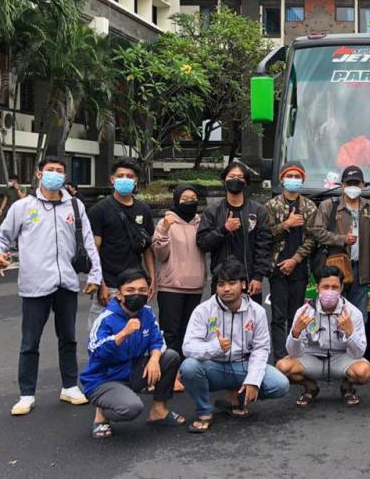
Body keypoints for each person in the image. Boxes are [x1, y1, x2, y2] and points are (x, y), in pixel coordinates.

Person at [0, 156, 101, 416]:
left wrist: (95, 275)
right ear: (39, 174)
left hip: (66, 283)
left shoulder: (75, 206)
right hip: (35, 284)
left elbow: (88, 242)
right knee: (30, 342)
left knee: (68, 339)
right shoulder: (23, 207)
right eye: (50, 170)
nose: (55, 174)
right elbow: (1, 238)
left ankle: (70, 386)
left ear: (65, 176)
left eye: (60, 171)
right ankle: (26, 394)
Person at [180, 258, 290, 433]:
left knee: (280, 385)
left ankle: (237, 398)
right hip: (213, 367)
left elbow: (261, 349)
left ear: (243, 284)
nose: (226, 289)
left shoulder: (257, 311)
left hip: (242, 366)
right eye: (221, 284)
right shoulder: (203, 310)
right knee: (189, 367)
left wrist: (253, 381)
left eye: (232, 283)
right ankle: (204, 411)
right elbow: (188, 347)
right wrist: (215, 347)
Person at [82, 269, 185, 438]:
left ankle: (158, 411)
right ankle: (102, 413)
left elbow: (157, 340)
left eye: (142, 290)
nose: (136, 294)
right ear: (119, 294)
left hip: (131, 372)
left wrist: (154, 359)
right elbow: (95, 352)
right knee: (132, 408)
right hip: (103, 380)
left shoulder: (147, 313)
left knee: (170, 357)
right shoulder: (106, 318)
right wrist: (122, 334)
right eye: (130, 290)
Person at [276, 265, 370, 407]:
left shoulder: (353, 313)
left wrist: (350, 332)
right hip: (313, 358)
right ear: (317, 288)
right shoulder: (304, 312)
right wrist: (295, 332)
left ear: (341, 288)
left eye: (335, 287)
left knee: (364, 372)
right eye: (325, 287)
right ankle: (310, 386)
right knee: (282, 367)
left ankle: (346, 386)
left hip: (341, 359)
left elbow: (358, 353)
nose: (330, 292)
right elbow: (294, 353)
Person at [86, 157, 156, 330]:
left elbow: (148, 248)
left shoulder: (144, 210)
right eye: (120, 176)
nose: (125, 179)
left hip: (136, 284)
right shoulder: (99, 210)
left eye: (130, 176)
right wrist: (100, 284)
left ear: (136, 181)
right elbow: (94, 250)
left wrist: (152, 279)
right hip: (109, 283)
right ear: (112, 179)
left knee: (137, 330)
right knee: (103, 330)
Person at [152, 184, 206, 391]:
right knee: (171, 333)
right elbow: (160, 254)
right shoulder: (166, 221)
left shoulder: (201, 222)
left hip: (195, 285)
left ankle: (184, 372)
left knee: (189, 333)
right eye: (184, 198)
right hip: (171, 286)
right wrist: (164, 230)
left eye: (193, 197)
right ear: (176, 199)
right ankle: (169, 375)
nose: (189, 201)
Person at [196, 161, 272, 304]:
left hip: (249, 280)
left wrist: (258, 276)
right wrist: (223, 229)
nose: (235, 180)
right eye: (231, 176)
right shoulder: (213, 211)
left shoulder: (258, 211)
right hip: (222, 281)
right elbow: (202, 242)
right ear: (224, 180)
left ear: (246, 182)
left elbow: (263, 246)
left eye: (240, 177)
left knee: (251, 317)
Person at [265, 161, 319, 360]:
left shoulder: (310, 207)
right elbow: (266, 235)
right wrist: (286, 224)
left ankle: (295, 354)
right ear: (282, 179)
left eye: (297, 177)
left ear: (303, 180)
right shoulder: (271, 205)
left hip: (300, 268)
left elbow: (313, 239)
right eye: (290, 176)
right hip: (277, 267)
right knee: (278, 316)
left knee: (296, 315)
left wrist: (295, 260)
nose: (293, 180)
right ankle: (280, 357)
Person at [314, 166, 370, 320]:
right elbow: (317, 232)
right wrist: (342, 239)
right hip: (336, 269)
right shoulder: (329, 205)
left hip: (361, 269)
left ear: (363, 185)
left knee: (359, 316)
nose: (353, 187)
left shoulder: (368, 206)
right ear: (342, 185)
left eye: (356, 183)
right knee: (333, 314)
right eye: (349, 183)